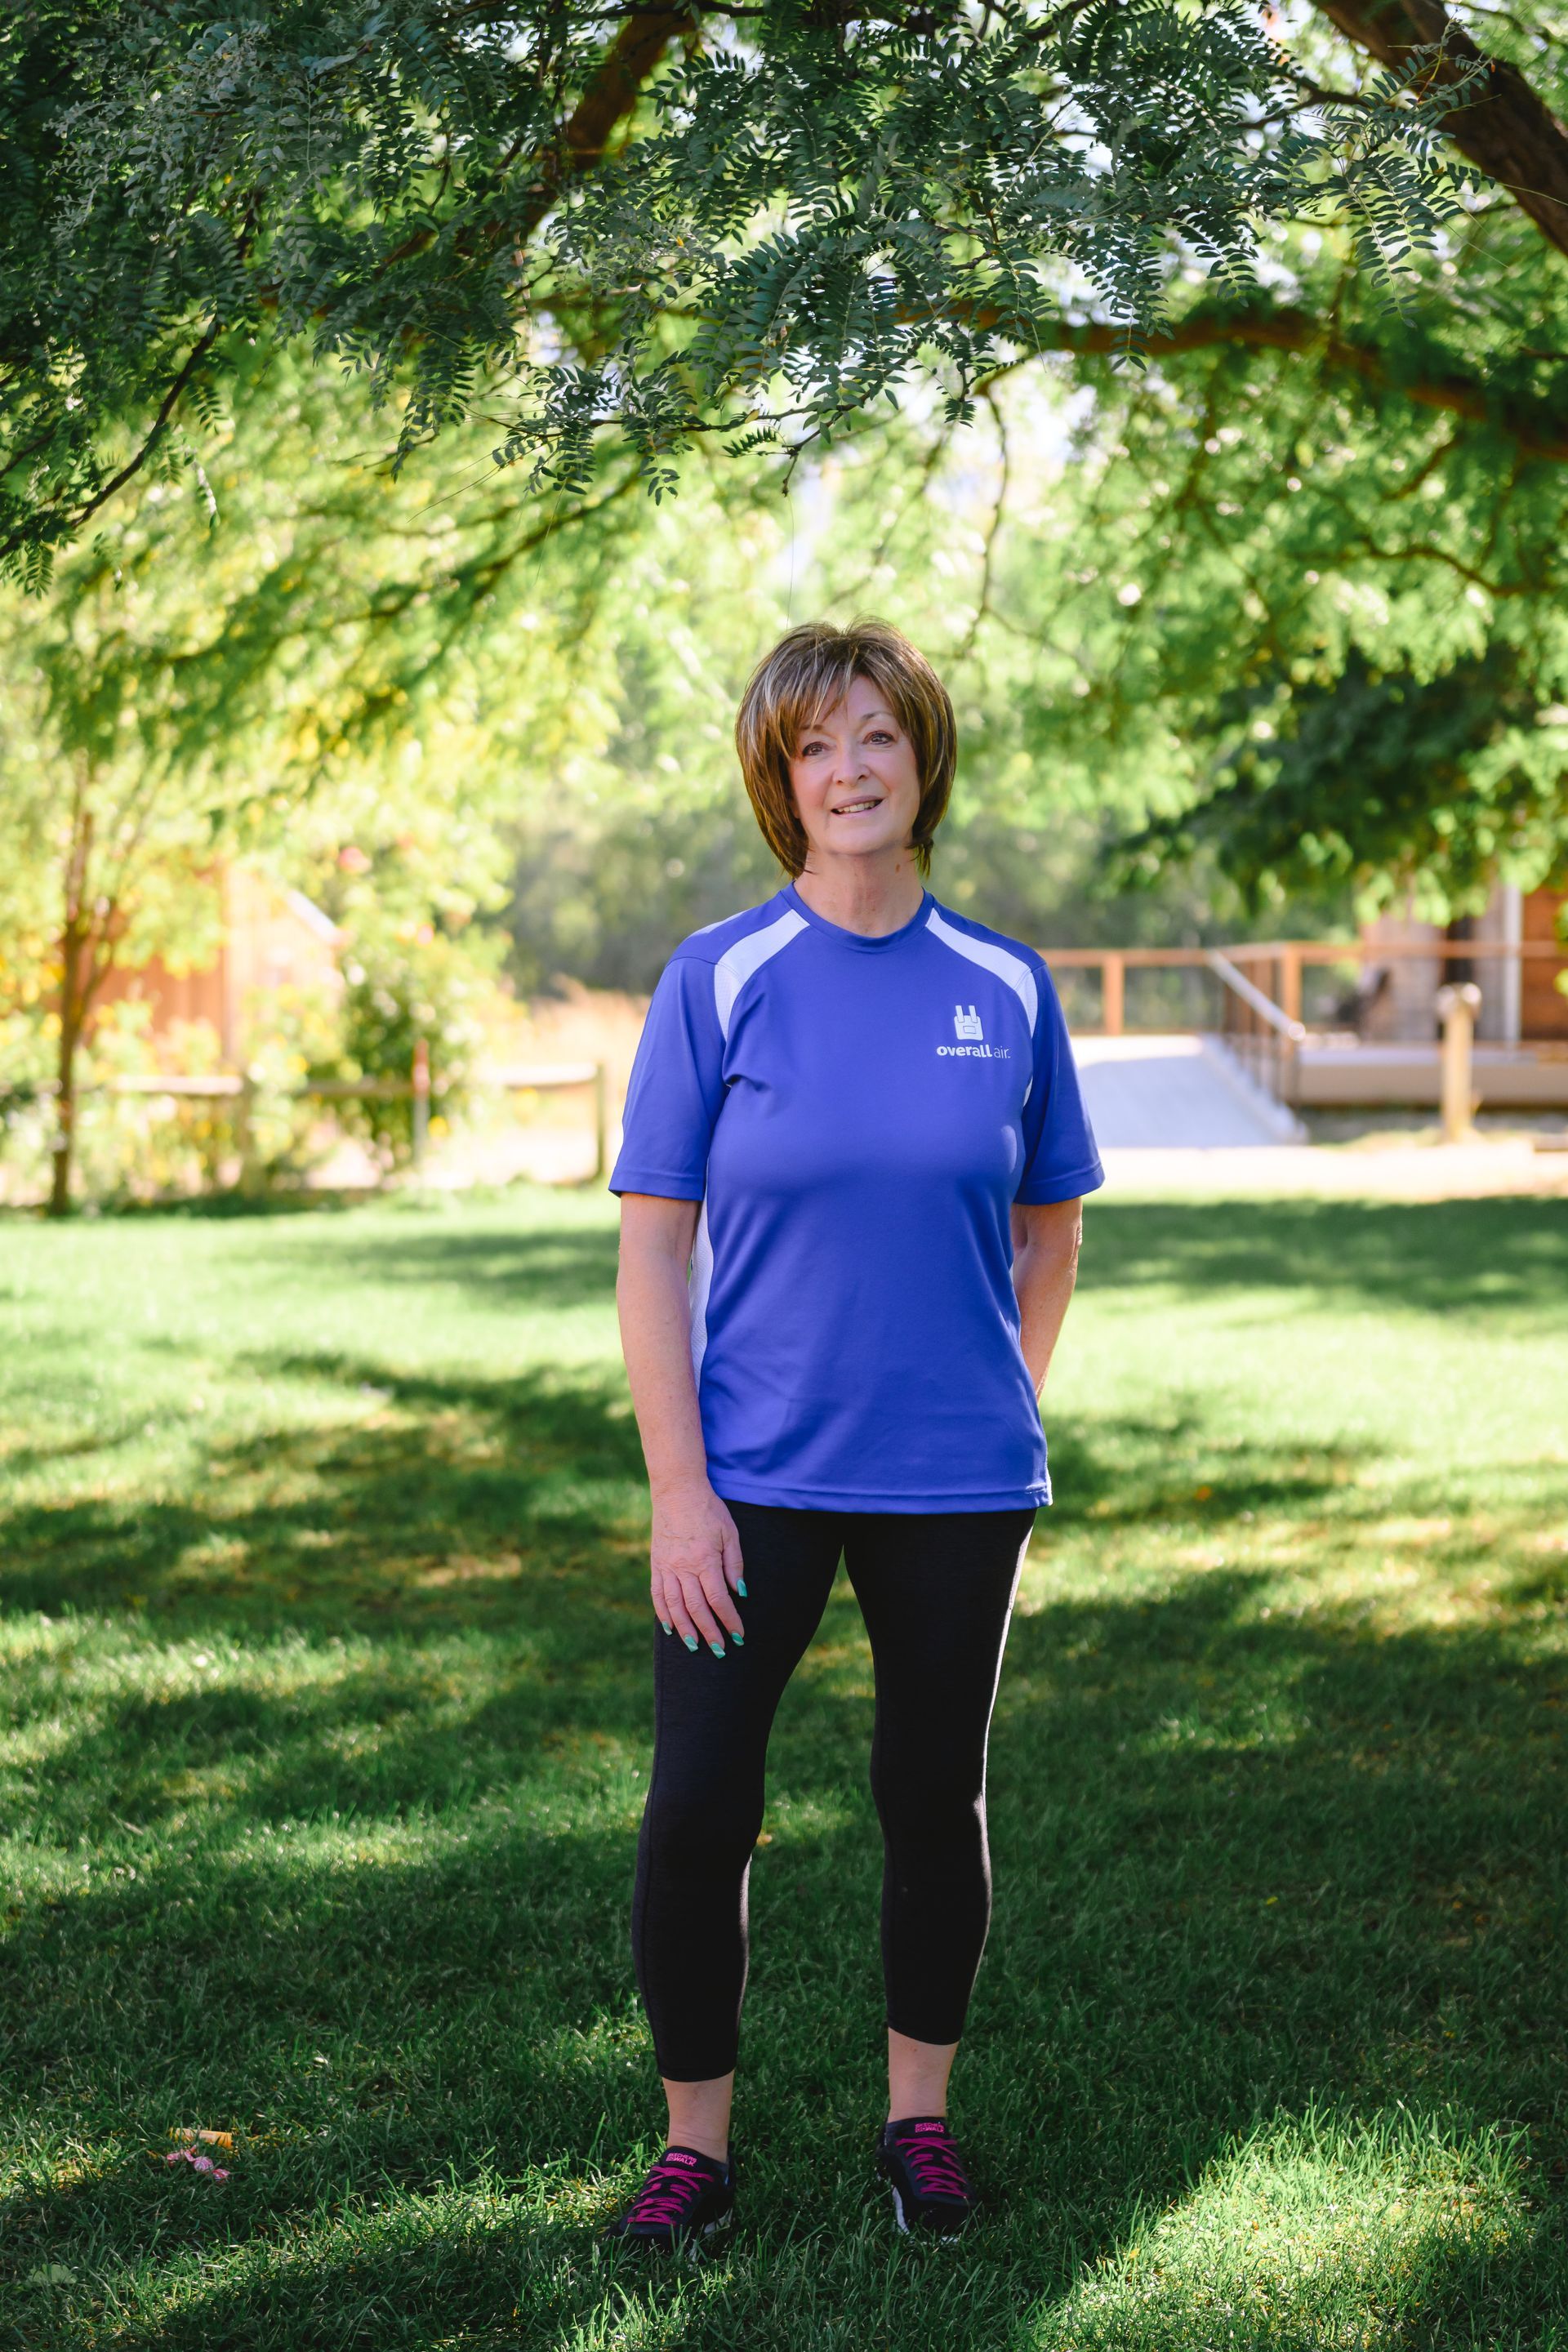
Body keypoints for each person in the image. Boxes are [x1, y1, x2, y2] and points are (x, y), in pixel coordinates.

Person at [603, 619, 1102, 2248]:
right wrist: (681, 1490)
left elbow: (1052, 1227)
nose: (849, 771)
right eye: (815, 746)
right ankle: (697, 2149)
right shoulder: (720, 977)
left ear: (921, 759)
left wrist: (1005, 1396)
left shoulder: (1008, 986)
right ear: (781, 778)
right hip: (748, 1479)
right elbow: (652, 1246)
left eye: (876, 736)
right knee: (695, 1805)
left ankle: (920, 2128)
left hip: (958, 1480)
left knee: (930, 1796)